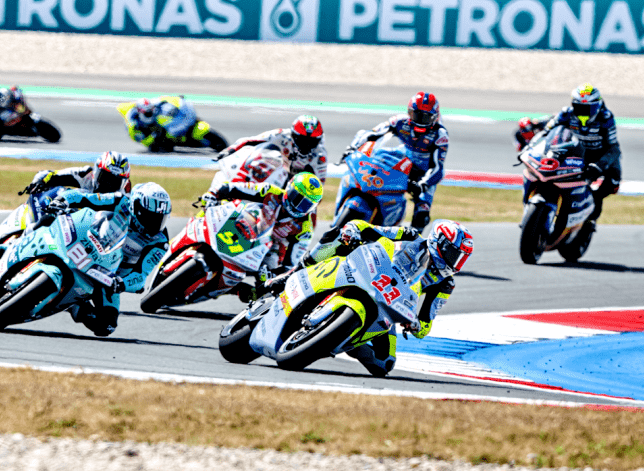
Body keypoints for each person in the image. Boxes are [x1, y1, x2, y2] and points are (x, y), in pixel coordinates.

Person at [341, 219, 474, 376]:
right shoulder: (409, 235)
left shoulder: (445, 284)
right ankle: (314, 262)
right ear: (440, 243)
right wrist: (352, 230)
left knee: (385, 362)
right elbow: (369, 228)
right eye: (454, 254)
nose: (455, 262)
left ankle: (344, 340)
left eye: (461, 258)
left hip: (388, 304)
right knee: (335, 238)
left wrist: (414, 324)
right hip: (364, 271)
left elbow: (425, 326)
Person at [42, 182, 172, 336]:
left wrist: (121, 284)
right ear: (136, 208)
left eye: (161, 218)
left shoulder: (160, 242)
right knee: (47, 218)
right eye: (151, 217)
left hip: (107, 277)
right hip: (87, 245)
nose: (156, 224)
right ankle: (24, 240)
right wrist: (62, 200)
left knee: (107, 325)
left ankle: (73, 303)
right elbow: (84, 197)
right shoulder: (120, 201)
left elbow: (141, 276)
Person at [514, 84, 621, 223]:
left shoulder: (605, 118)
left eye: (587, 108)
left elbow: (613, 148)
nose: (583, 112)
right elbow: (546, 132)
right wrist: (528, 148)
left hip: (598, 155)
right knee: (546, 171)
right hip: (574, 151)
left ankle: (590, 219)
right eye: (579, 107)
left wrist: (599, 165)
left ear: (597, 105)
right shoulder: (567, 113)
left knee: (613, 183)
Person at [344, 92, 448, 232]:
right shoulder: (399, 121)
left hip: (424, 172)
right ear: (409, 112)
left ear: (434, 117)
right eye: (416, 115)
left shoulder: (440, 135)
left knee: (422, 214)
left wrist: (423, 184)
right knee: (379, 157)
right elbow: (372, 132)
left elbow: (438, 168)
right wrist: (353, 147)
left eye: (425, 117)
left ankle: (412, 239)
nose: (420, 121)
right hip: (403, 158)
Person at [200, 172, 325, 279]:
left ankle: (243, 291)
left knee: (268, 276)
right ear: (289, 188)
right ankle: (198, 225)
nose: (297, 206)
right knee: (217, 207)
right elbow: (235, 187)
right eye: (296, 197)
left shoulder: (305, 228)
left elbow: (291, 265)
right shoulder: (270, 191)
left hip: (270, 249)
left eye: (305, 205)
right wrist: (213, 194)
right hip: (247, 226)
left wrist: (273, 274)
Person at [217, 114, 329, 180]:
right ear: (293, 135)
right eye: (302, 140)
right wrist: (229, 150)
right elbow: (250, 140)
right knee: (267, 153)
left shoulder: (320, 156)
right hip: (272, 175)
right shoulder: (281, 135)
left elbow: (319, 190)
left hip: (295, 186)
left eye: (312, 142)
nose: (307, 145)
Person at [23, 149, 133, 196]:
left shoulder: (125, 192)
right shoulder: (84, 174)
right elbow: (47, 174)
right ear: (96, 171)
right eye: (106, 178)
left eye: (114, 182)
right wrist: (39, 182)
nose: (108, 184)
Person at [125, 95, 202, 152]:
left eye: (151, 110)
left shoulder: (155, 106)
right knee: (162, 148)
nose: (150, 112)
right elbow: (139, 138)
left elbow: (165, 101)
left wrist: (176, 105)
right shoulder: (135, 122)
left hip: (160, 128)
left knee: (170, 129)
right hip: (151, 138)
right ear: (140, 112)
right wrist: (153, 137)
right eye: (148, 112)